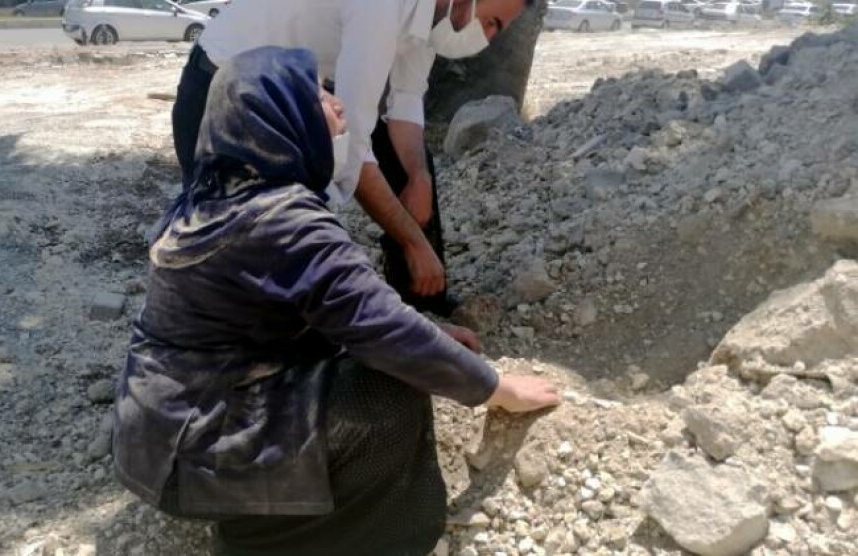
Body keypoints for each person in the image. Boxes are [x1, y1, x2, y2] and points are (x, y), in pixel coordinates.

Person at [116, 47, 560, 556]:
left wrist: (430, 333)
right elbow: (385, 331)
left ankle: (257, 513)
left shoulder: (209, 202)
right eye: (318, 95)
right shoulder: (282, 219)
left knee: (349, 358)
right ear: (279, 116)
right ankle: (277, 542)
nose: (338, 104)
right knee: (389, 392)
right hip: (193, 455)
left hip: (152, 447)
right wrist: (496, 388)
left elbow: (345, 309)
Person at [172, 0, 533, 317]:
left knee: (408, 159)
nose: (487, 37)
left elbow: (406, 101)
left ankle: (420, 302)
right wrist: (413, 240)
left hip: (284, 89)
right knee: (238, 241)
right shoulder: (381, 8)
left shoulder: (430, 18)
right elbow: (352, 150)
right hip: (220, 88)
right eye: (491, 22)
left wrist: (417, 176)